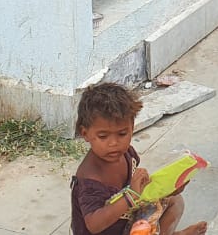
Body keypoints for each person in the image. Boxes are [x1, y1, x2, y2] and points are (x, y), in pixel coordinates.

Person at [71, 83, 208, 235]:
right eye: (103, 136)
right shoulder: (90, 177)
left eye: (122, 134)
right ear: (85, 134)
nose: (114, 143)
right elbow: (94, 225)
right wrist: (131, 195)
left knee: (175, 201)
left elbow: (142, 193)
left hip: (129, 222)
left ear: (132, 127)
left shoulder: (128, 155)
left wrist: (168, 189)